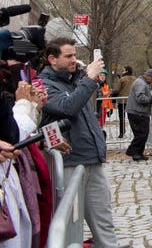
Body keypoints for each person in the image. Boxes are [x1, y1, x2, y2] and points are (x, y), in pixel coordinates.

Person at [39, 37, 124, 248]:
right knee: (69, 225)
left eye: (75, 55)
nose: (73, 59)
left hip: (92, 160)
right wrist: (87, 79)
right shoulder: (43, 84)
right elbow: (67, 107)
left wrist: (82, 76)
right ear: (52, 59)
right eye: (68, 56)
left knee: (104, 222)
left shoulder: (75, 79)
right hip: (69, 164)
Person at [125, 69, 152, 161]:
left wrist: (151, 99)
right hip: (137, 113)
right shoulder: (141, 83)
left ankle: (139, 153)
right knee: (141, 134)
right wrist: (150, 100)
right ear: (148, 76)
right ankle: (133, 151)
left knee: (142, 134)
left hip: (138, 112)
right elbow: (140, 97)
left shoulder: (141, 83)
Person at [112, 66, 136, 138]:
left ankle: (122, 133)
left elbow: (116, 90)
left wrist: (112, 95)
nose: (122, 72)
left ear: (126, 71)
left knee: (122, 117)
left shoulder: (122, 79)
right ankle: (135, 132)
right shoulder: (135, 79)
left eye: (123, 70)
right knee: (132, 117)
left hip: (122, 101)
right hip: (132, 101)